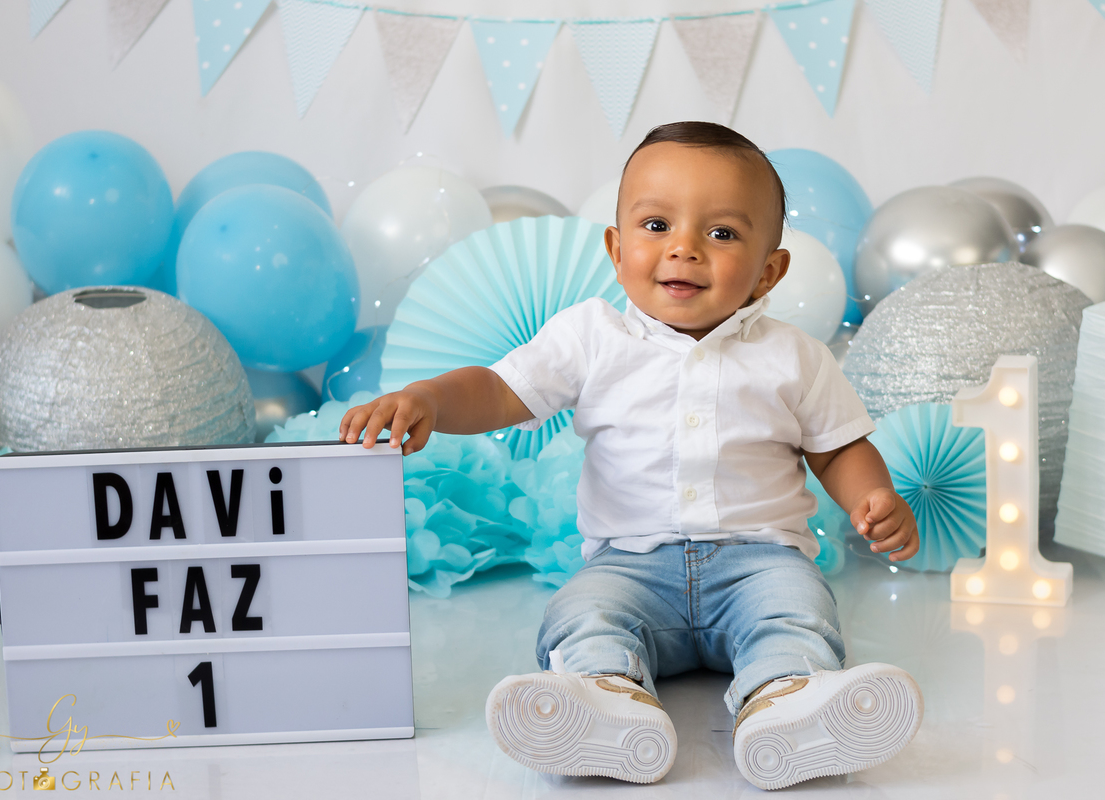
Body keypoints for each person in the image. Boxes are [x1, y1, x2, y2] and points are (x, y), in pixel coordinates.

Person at [339, 121, 923, 790]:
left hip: (760, 561)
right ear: (617, 250)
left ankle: (785, 705)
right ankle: (604, 703)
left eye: (722, 233)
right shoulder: (594, 336)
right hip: (630, 565)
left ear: (769, 271)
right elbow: (502, 390)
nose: (684, 249)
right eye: (656, 225)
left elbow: (839, 445)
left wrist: (871, 498)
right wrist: (432, 399)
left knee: (797, 613)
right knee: (583, 613)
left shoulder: (792, 355)